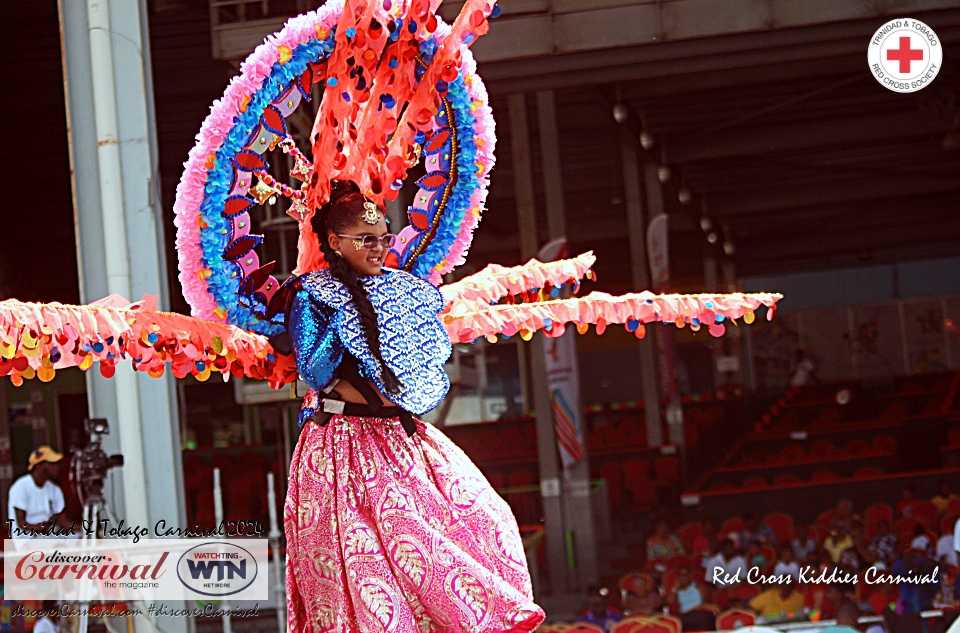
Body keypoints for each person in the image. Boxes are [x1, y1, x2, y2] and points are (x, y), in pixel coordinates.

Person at [282, 183, 544, 632]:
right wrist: (349, 317)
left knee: (485, 516)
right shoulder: (311, 294)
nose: (378, 247)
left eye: (384, 237)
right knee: (374, 567)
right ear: (334, 243)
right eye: (366, 239)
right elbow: (316, 369)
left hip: (402, 435)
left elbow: (421, 364)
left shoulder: (404, 290)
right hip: (341, 445)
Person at [7, 446, 75, 541]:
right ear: (39, 466)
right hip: (27, 538)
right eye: (52, 464)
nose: (56, 467)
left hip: (49, 535)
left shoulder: (54, 489)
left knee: (80, 538)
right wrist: (38, 527)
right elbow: (21, 523)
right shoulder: (21, 486)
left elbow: (63, 522)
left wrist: (86, 529)